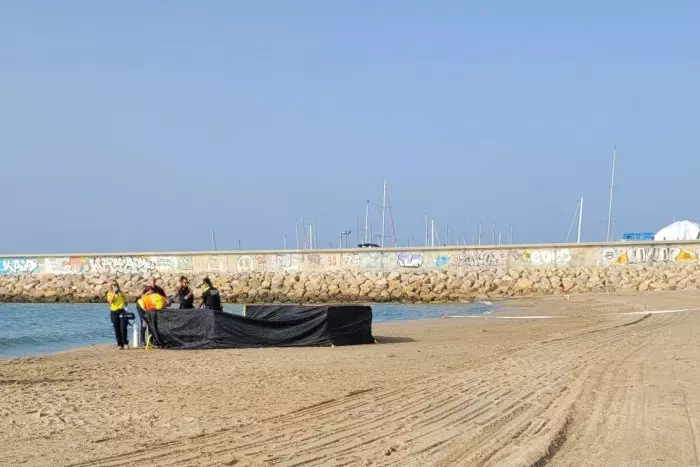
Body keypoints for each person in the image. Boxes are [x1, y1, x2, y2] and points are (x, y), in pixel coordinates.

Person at [136, 276, 168, 344]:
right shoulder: (147, 289)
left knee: (152, 323)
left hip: (152, 308)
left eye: (154, 280)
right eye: (151, 280)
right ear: (149, 281)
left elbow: (164, 297)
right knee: (144, 322)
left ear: (155, 281)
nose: (153, 281)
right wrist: (147, 293)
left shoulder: (158, 289)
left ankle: (151, 340)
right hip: (142, 306)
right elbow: (140, 298)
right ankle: (142, 340)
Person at [107, 280, 128, 349]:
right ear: (111, 286)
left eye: (116, 284)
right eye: (113, 285)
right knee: (116, 329)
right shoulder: (110, 293)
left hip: (122, 311)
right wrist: (114, 294)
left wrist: (125, 303)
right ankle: (119, 345)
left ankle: (125, 343)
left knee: (123, 328)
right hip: (114, 312)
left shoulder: (121, 293)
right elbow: (110, 302)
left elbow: (126, 302)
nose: (115, 286)